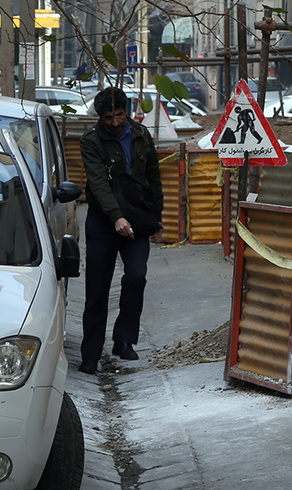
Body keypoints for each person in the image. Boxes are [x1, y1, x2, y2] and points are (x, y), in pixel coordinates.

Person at [78, 87, 164, 375]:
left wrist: (156, 219)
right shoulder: (91, 141)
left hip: (137, 218)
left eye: (119, 115)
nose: (115, 122)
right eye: (108, 117)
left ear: (126, 111)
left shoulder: (141, 135)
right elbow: (98, 182)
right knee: (97, 291)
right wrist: (115, 216)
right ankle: (90, 354)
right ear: (100, 117)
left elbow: (154, 176)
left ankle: (124, 339)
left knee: (137, 276)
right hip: (103, 222)